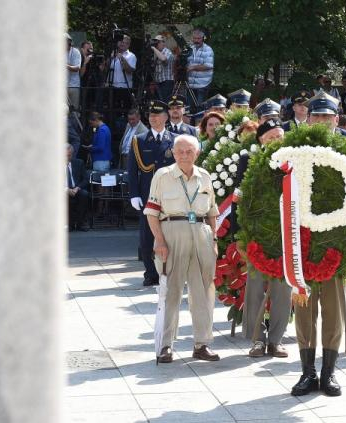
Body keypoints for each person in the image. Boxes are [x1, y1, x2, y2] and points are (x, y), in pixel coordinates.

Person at [145, 134, 220, 363]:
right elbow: (151, 212)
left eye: (189, 151)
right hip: (172, 231)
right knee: (171, 291)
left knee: (203, 291)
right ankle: (166, 345)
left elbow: (212, 212)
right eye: (180, 152)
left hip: (201, 233)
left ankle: (202, 344)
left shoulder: (204, 176)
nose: (184, 155)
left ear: (197, 153)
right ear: (173, 153)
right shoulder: (163, 175)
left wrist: (214, 240)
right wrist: (159, 240)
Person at [292, 92, 346, 398]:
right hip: (301, 246)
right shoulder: (293, 152)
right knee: (303, 310)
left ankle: (328, 373)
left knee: (333, 310)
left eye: (329, 117)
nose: (323, 122)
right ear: (308, 119)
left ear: (336, 120)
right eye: (318, 117)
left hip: (335, 247)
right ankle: (307, 373)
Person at [241, 118, 292, 358]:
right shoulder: (248, 161)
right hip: (258, 235)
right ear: (260, 140)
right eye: (270, 137)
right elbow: (239, 202)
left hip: (286, 234)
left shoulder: (293, 161)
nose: (276, 141)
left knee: (283, 288)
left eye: (279, 136)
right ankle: (256, 340)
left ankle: (276, 339)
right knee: (255, 288)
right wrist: (241, 236)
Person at [128, 101, 176, 286]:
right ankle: (150, 273)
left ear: (166, 117)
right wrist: (133, 194)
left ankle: (170, 269)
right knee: (147, 235)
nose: (153, 118)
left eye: (157, 115)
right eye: (151, 115)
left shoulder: (175, 139)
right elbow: (132, 169)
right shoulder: (139, 140)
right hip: (148, 195)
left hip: (171, 195)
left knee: (171, 233)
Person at [187, 29, 214, 109]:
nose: (196, 40)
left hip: (203, 84)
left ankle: (200, 121)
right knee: (189, 108)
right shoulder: (190, 49)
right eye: (195, 38)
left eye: (198, 38)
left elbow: (208, 66)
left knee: (200, 108)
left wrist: (193, 67)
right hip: (190, 84)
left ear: (203, 38)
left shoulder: (208, 49)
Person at [108, 34, 137, 109]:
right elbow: (105, 69)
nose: (122, 44)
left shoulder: (131, 56)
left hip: (124, 87)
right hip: (112, 87)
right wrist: (110, 58)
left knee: (124, 109)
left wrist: (122, 58)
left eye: (125, 43)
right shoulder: (113, 54)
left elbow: (129, 70)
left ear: (129, 45)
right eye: (121, 42)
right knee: (111, 108)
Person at [66, 143, 89, 232]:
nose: (67, 157)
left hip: (76, 188)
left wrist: (77, 188)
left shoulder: (79, 163)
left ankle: (80, 223)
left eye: (69, 155)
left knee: (85, 194)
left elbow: (85, 179)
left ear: (72, 154)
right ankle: (69, 224)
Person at [152, 35, 175, 102]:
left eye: (158, 42)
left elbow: (163, 59)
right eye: (156, 42)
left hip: (167, 82)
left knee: (164, 102)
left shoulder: (167, 52)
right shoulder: (156, 52)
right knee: (158, 103)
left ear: (163, 43)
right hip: (158, 82)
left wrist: (153, 48)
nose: (157, 44)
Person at [66, 33, 82, 112]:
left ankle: (74, 124)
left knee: (74, 109)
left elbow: (77, 68)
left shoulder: (76, 52)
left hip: (74, 85)